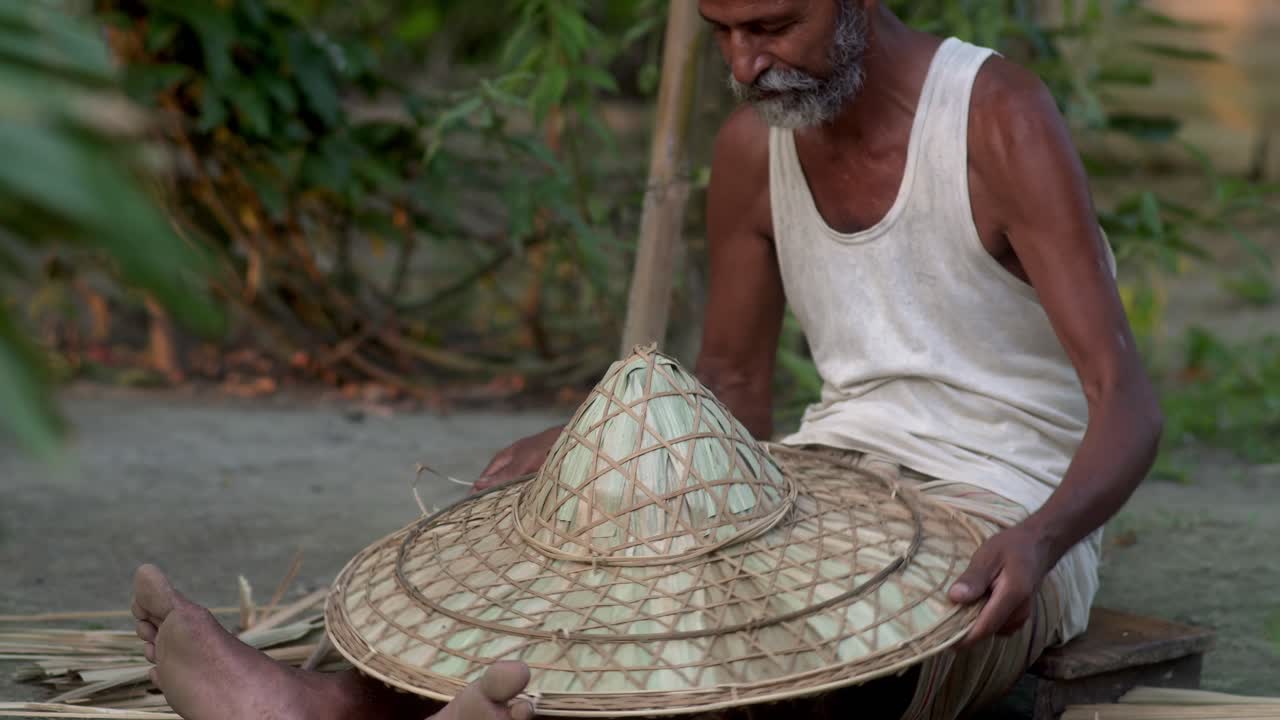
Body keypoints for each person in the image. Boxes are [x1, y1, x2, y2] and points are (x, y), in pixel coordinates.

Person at [128, 1, 1162, 719]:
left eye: (771, 27)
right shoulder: (750, 150)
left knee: (817, 669)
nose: (746, 65)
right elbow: (733, 388)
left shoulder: (994, 117)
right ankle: (333, 701)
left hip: (999, 508)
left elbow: (1125, 402)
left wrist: (1039, 540)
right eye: (722, 33)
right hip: (832, 476)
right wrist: (598, 455)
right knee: (599, 579)